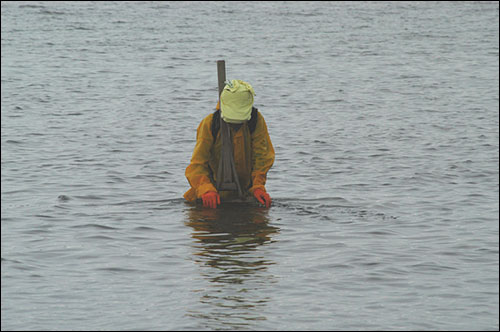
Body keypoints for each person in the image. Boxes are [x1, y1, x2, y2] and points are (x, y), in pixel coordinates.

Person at [183, 79, 275, 209]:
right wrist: (206, 189)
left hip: (244, 195)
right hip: (211, 197)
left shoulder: (255, 121)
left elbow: (262, 158)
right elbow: (197, 165)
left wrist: (258, 188)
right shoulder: (210, 124)